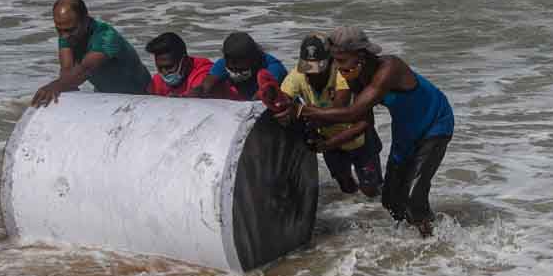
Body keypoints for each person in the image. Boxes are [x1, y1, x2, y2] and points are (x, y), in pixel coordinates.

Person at [299, 27, 453, 236]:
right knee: (391, 200)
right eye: (334, 60)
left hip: (435, 124)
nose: (337, 66)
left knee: (412, 197)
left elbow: (352, 112)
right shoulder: (355, 76)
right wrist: (327, 145)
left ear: (361, 55)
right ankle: (411, 240)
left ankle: (434, 246)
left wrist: (301, 110)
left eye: (342, 60)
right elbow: (363, 123)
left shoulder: (389, 68)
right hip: (405, 132)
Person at [270, 34, 382, 197]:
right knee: (345, 185)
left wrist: (302, 111)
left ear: (331, 61)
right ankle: (356, 213)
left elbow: (340, 108)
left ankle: (376, 215)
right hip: (329, 142)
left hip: (359, 139)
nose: (312, 74)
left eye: (318, 68)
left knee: (371, 188)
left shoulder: (343, 74)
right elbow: (284, 100)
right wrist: (280, 106)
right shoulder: (297, 75)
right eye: (308, 68)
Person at [31, 0, 151, 107]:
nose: (64, 37)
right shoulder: (68, 32)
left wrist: (55, 85)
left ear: (85, 19)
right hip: (108, 96)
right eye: (59, 29)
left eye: (70, 30)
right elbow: (67, 72)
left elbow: (84, 71)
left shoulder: (106, 36)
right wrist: (59, 88)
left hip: (142, 95)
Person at [186, 31, 286, 101]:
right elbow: (204, 87)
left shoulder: (273, 69)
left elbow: (261, 97)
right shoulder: (224, 63)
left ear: (254, 60)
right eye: (231, 69)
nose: (235, 73)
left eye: (241, 70)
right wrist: (184, 97)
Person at [145, 32, 218, 97]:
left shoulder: (205, 74)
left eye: (169, 67)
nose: (164, 72)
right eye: (160, 67)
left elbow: (200, 93)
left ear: (185, 61)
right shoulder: (157, 80)